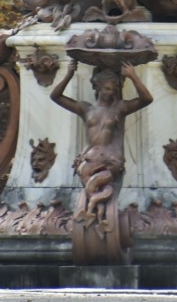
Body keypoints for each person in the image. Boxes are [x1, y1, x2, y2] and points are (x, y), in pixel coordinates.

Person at [50, 59, 153, 230]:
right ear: (97, 87)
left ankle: (93, 212)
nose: (110, 92)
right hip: (89, 160)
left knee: (95, 184)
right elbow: (55, 97)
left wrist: (133, 76)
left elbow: (146, 99)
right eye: (106, 88)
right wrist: (68, 74)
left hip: (110, 161)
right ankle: (99, 216)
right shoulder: (86, 109)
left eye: (113, 89)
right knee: (93, 186)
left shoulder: (119, 108)